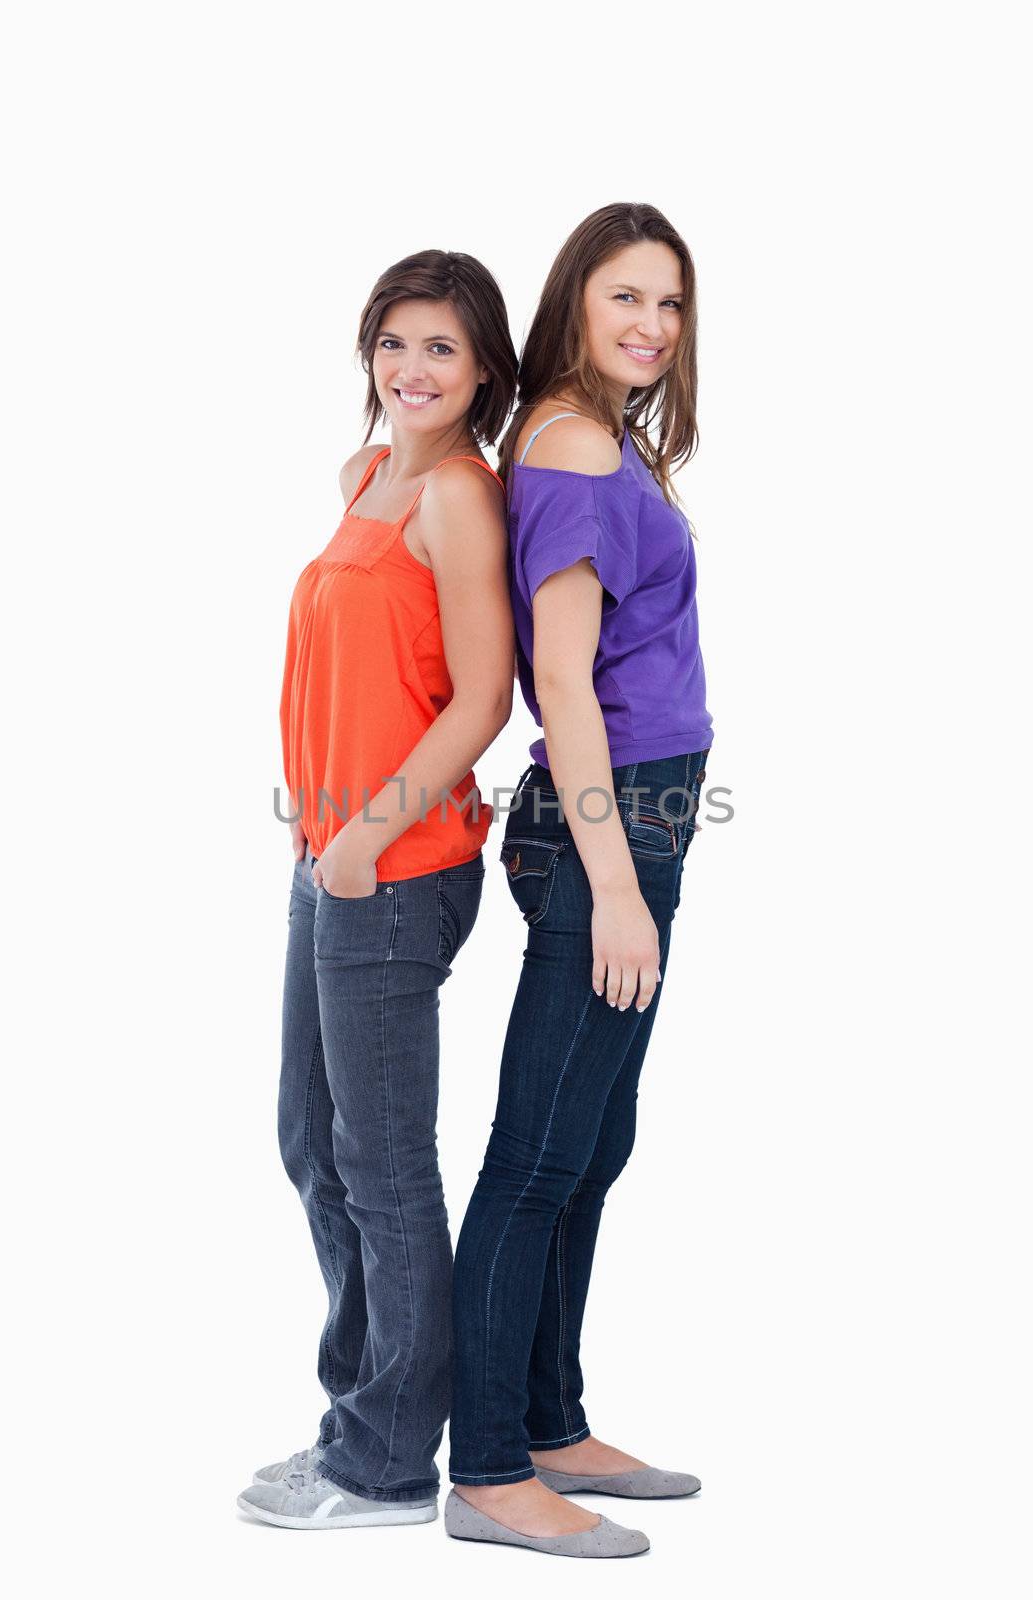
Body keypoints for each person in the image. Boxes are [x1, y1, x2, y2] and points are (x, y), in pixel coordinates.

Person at [446, 203, 714, 1559]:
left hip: (640, 824)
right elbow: (560, 679)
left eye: (667, 304)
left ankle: (551, 1424)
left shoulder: (594, 434)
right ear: (575, 301)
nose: (649, 328)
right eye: (624, 299)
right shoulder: (563, 440)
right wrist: (612, 885)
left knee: (589, 1147)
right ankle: (489, 1469)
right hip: (602, 833)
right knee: (538, 1156)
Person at [238, 250, 517, 1530]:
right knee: (315, 1141)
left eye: (441, 352)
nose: (412, 369)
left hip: (392, 871)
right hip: (327, 859)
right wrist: (319, 831)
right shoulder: (367, 477)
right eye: (395, 343)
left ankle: (391, 1462)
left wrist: (366, 837)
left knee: (384, 1163)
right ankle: (362, 1415)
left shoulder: (459, 494)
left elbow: (481, 697)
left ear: (481, 374)